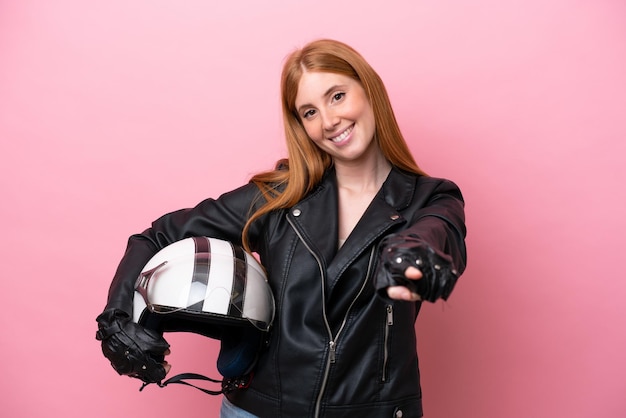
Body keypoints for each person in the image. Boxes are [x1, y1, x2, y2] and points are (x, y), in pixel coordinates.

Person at [96, 39, 467, 418]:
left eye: (337, 96)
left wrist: (414, 251)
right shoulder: (280, 196)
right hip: (258, 410)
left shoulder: (431, 198)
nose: (328, 121)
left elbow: (440, 231)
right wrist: (118, 319)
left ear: (369, 89)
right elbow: (157, 236)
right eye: (309, 112)